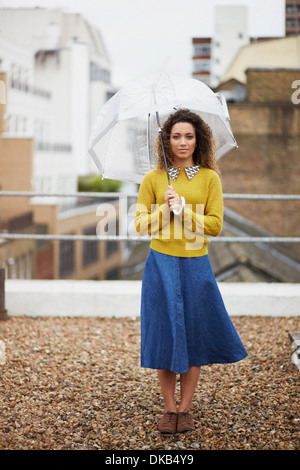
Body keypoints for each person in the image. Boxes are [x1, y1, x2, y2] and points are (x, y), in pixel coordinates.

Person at [134, 109, 247, 434]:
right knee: (166, 334)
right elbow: (140, 226)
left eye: (189, 136)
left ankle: (186, 409)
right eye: (175, 136)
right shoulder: (153, 179)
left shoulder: (210, 178)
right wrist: (164, 211)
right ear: (165, 141)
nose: (182, 142)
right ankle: (169, 410)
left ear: (198, 140)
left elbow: (215, 227)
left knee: (193, 333)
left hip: (196, 265)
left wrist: (184, 213)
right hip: (161, 264)